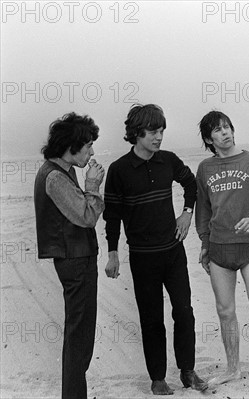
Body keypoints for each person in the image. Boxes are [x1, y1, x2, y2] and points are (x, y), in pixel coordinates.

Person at [103, 104, 207, 395]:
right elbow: (112, 215)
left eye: (161, 131)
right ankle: (158, 378)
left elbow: (191, 183)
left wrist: (187, 212)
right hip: (142, 256)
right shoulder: (119, 170)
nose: (159, 137)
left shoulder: (168, 161)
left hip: (173, 252)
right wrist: (112, 253)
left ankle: (188, 371)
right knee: (152, 320)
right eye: (152, 132)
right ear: (137, 133)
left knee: (184, 312)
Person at [195, 110, 249, 389]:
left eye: (227, 127)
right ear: (209, 139)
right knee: (225, 310)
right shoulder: (205, 168)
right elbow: (203, 210)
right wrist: (205, 244)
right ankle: (233, 369)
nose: (226, 133)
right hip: (219, 250)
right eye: (218, 130)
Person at [34, 112, 105, 399]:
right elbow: (87, 216)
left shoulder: (63, 169)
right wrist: (92, 186)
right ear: (70, 146)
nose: (91, 151)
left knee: (82, 334)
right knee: (78, 335)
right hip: (74, 261)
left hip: (79, 258)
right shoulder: (54, 176)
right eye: (87, 145)